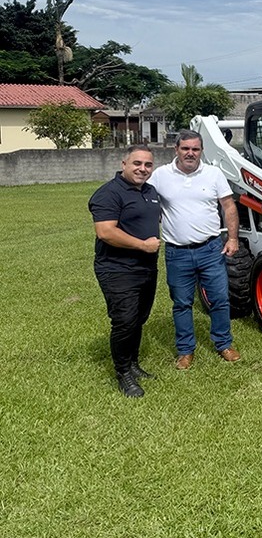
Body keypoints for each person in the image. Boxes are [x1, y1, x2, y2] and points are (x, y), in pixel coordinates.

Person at [149, 130, 241, 369]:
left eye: (195, 149)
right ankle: (185, 350)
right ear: (176, 149)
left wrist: (232, 238)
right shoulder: (160, 176)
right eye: (185, 148)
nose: (190, 153)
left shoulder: (213, 174)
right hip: (177, 252)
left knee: (220, 299)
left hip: (211, 249)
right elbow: (146, 205)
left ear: (201, 151)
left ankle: (223, 344)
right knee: (181, 303)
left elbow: (228, 206)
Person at [88, 144, 162, 398]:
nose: (143, 169)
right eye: (137, 164)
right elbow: (105, 232)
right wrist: (142, 245)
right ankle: (123, 374)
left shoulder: (150, 192)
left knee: (139, 319)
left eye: (148, 165)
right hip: (117, 269)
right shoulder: (109, 194)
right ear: (124, 164)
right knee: (125, 321)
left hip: (146, 267)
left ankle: (132, 364)